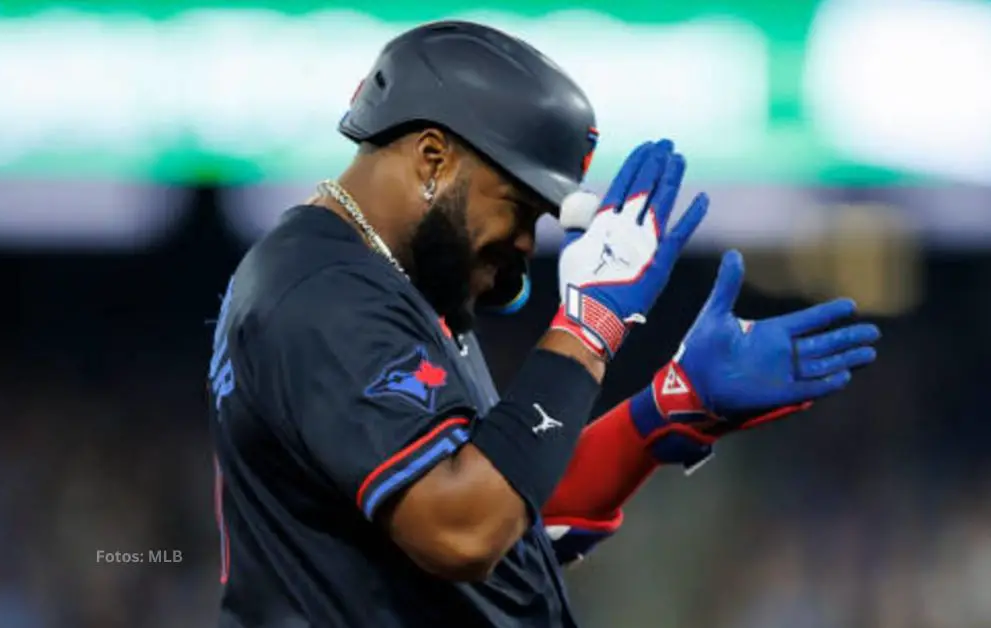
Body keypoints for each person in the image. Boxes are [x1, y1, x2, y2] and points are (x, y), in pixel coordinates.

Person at [206, 20, 881, 628]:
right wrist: (587, 330)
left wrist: (663, 412)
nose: (529, 243)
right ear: (433, 158)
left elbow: (513, 520)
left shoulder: (384, 283)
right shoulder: (327, 294)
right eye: (521, 207)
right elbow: (464, 529)